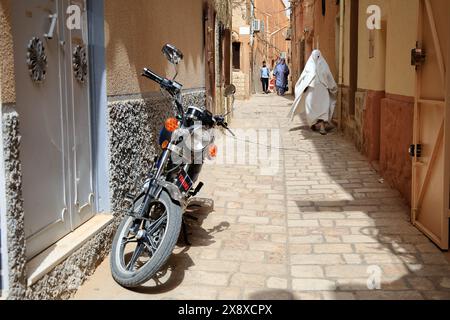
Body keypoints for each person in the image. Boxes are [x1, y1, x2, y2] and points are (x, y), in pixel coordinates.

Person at [288, 50, 337, 135]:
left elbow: (328, 76)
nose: (316, 58)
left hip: (322, 92)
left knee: (323, 108)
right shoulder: (309, 66)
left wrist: (332, 87)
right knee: (311, 110)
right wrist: (302, 87)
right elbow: (303, 78)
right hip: (311, 92)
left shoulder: (324, 65)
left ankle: (322, 127)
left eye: (318, 56)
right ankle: (313, 123)